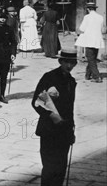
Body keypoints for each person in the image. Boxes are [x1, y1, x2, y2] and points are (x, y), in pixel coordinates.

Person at [32, 50, 77, 186]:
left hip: (64, 131)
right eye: (66, 62)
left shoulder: (71, 81)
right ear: (60, 62)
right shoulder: (49, 77)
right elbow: (36, 102)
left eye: (72, 63)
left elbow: (70, 109)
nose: (69, 65)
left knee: (61, 169)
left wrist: (71, 131)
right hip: (49, 130)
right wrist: (52, 115)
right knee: (50, 168)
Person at [75, 1, 105, 82]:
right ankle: (88, 75)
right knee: (92, 58)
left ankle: (96, 76)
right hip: (97, 40)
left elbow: (82, 29)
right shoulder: (100, 17)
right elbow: (103, 29)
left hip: (89, 40)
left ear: (88, 9)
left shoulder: (87, 17)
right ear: (95, 9)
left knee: (90, 59)